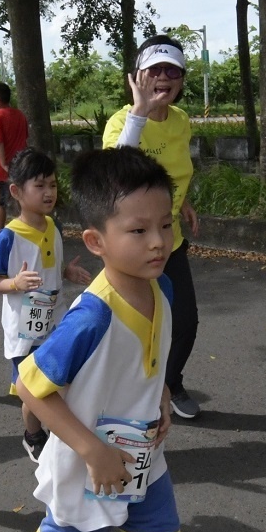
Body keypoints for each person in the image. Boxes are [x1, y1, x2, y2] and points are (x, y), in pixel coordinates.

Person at [11, 147, 203, 532]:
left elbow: (152, 358)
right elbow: (30, 386)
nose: (157, 242)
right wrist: (92, 449)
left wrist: (162, 397)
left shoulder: (162, 289)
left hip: (145, 462)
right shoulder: (92, 315)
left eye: (165, 225)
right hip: (91, 467)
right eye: (138, 230)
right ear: (96, 242)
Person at [104, 34, 203, 420]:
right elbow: (114, 171)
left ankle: (169, 382)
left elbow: (175, 172)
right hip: (131, 243)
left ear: (181, 79)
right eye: (154, 70)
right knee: (132, 324)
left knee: (185, 321)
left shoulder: (180, 122)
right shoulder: (122, 121)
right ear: (138, 76)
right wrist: (140, 112)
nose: (164, 77)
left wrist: (184, 202)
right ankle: (124, 395)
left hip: (170, 238)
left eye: (172, 70)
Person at [0, 148, 89, 461]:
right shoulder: (9, 237)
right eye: (40, 186)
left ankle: (61, 434)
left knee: (57, 383)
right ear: (16, 191)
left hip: (55, 324)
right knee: (31, 391)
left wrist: (66, 272)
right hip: (23, 331)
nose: (49, 193)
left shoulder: (54, 228)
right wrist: (14, 284)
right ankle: (33, 434)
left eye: (53, 185)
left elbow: (52, 268)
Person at [0, 81, 28, 246]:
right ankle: (23, 231)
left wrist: (2, 163)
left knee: (0, 201)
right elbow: (25, 139)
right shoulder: (20, 115)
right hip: (20, 165)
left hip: (2, 169)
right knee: (19, 199)